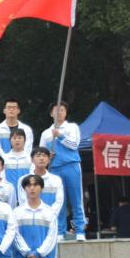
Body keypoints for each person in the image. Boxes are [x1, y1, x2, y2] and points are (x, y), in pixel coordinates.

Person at [39, 101, 85, 239]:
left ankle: (80, 230)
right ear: (51, 113)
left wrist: (60, 135)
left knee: (76, 199)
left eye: (62, 110)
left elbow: (74, 145)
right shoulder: (46, 133)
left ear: (66, 113)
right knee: (59, 200)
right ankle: (60, 231)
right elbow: (41, 153)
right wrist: (47, 155)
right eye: (56, 110)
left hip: (71, 166)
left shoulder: (72, 127)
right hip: (55, 169)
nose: (59, 112)